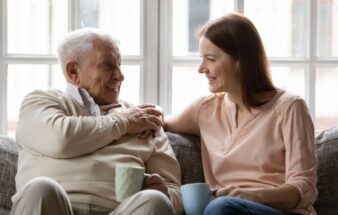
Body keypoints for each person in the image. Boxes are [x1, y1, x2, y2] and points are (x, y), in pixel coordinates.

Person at [12, 28, 183, 215]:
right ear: (73, 71)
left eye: (119, 64)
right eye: (108, 66)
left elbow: (175, 193)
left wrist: (165, 193)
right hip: (53, 207)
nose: (120, 75)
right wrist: (123, 121)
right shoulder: (40, 102)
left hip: (122, 211)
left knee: (155, 200)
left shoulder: (143, 119)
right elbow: (62, 140)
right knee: (40, 189)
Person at [164, 13, 317, 215]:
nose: (202, 69)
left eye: (210, 59)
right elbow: (160, 122)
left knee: (220, 207)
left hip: (278, 211)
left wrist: (250, 196)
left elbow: (303, 189)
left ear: (241, 61)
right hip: (222, 210)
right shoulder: (205, 109)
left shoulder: (289, 108)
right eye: (202, 59)